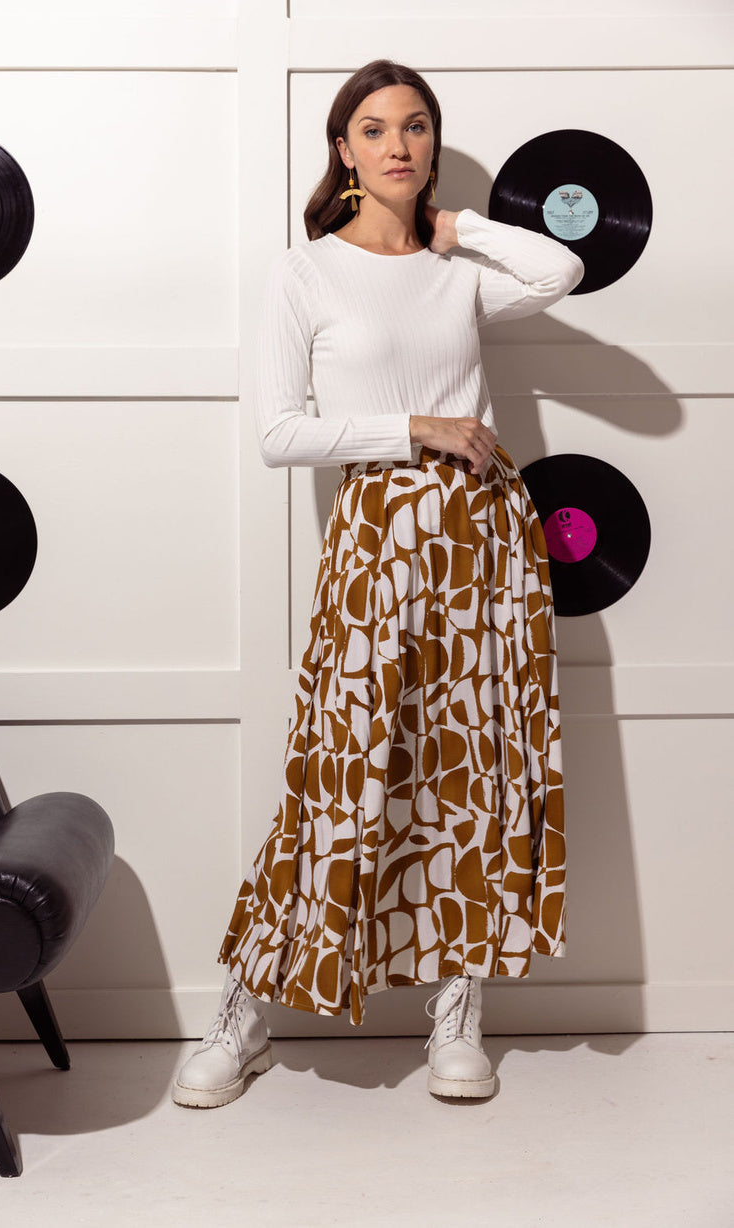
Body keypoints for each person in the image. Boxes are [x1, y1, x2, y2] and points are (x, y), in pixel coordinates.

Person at [173, 59, 583, 1110]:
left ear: (430, 148)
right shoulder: (302, 272)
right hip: (375, 537)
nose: (395, 143)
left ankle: (458, 1013)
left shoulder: (456, 272)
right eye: (372, 127)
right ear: (342, 151)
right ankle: (245, 1011)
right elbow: (277, 434)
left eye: (413, 127)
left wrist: (464, 229)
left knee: (469, 774)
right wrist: (413, 426)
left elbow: (559, 273)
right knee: (337, 772)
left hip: (481, 541)